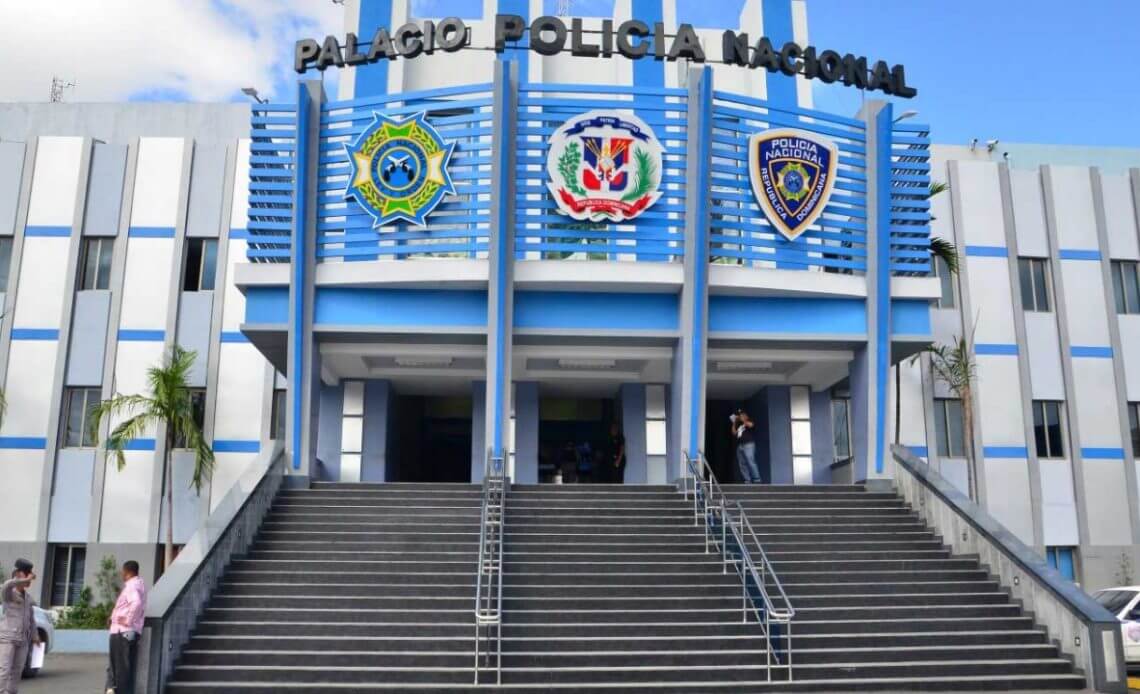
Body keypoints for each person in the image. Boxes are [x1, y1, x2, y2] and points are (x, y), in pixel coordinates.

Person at [105, 560, 147, 694]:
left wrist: (127, 620)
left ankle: (114, 690)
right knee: (122, 668)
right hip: (129, 632)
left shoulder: (131, 586)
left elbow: (136, 602)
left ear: (127, 572)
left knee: (119, 669)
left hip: (122, 632)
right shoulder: (139, 584)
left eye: (122, 572)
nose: (121, 574)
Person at [0, 559, 38, 694]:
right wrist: (24, 579)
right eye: (26, 573)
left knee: (17, 671)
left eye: (30, 574)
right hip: (8, 639)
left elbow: (31, 619)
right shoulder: (9, 593)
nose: (29, 577)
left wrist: (35, 636)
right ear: (17, 574)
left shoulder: (28, 597)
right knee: (4, 669)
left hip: (23, 640)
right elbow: (7, 584)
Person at [731, 410, 762, 483]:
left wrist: (744, 420)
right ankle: (747, 480)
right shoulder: (739, 425)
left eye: (742, 415)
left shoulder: (749, 421)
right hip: (740, 445)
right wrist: (734, 422)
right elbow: (734, 433)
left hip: (748, 444)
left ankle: (757, 478)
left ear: (746, 416)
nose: (741, 416)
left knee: (750, 461)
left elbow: (751, 425)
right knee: (742, 463)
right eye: (740, 416)